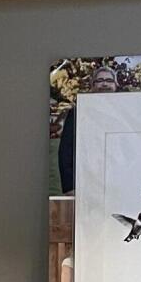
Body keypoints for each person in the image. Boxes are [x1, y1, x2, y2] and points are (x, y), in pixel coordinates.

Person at [57, 62, 118, 194]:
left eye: (109, 80)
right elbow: (65, 152)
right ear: (92, 86)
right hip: (86, 184)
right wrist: (70, 187)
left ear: (115, 85)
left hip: (118, 183)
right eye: (99, 81)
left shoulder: (123, 114)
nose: (104, 84)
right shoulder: (77, 113)